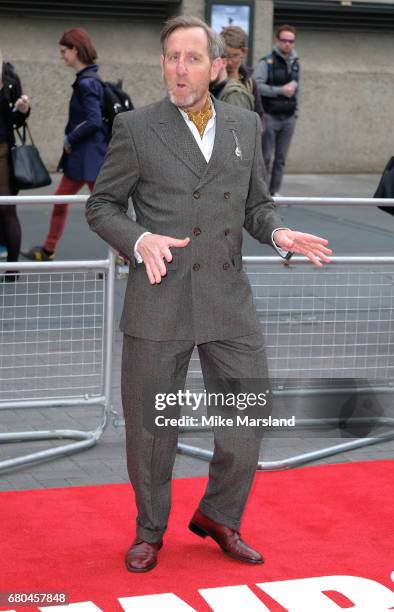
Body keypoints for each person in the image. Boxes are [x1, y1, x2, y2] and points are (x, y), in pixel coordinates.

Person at [86, 15, 331, 573]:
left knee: (248, 413)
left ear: (216, 66)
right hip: (159, 295)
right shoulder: (137, 127)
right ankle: (150, 531)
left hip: (226, 297)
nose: (180, 68)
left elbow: (255, 206)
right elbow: (101, 206)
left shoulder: (246, 125)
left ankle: (220, 515)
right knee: (153, 427)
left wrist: (277, 232)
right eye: (172, 56)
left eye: (193, 57)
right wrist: (139, 238)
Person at [24, 28, 108, 262]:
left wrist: (70, 139)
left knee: (103, 210)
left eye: (64, 51)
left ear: (75, 50)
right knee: (64, 202)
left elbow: (93, 121)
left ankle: (124, 253)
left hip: (88, 158)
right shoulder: (89, 79)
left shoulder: (87, 83)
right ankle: (49, 249)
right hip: (86, 158)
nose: (61, 55)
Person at [254, 25, 299, 195]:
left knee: (281, 159)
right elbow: (257, 85)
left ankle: (275, 192)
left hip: (288, 118)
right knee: (265, 157)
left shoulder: (295, 63)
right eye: (284, 40)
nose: (287, 44)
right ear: (277, 41)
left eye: (290, 41)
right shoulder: (267, 62)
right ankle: (262, 194)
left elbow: (297, 89)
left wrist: (296, 113)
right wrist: (280, 90)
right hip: (270, 116)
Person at [0, 50, 30, 281]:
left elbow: (16, 122)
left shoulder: (10, 81)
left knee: (7, 207)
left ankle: (12, 268)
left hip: (3, 153)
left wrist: (22, 110)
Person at [214, 26, 265, 123]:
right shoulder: (213, 80)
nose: (229, 62)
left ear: (245, 52)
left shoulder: (250, 82)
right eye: (225, 56)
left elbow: (259, 115)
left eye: (235, 56)